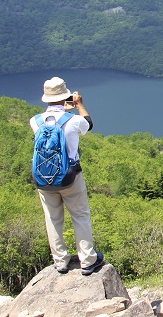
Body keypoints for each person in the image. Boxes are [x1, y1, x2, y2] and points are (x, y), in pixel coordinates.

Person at [31, 76, 105, 276]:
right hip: (70, 177)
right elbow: (88, 124)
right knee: (80, 216)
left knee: (53, 218)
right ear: (66, 97)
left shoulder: (35, 121)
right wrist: (80, 105)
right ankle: (88, 260)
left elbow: (53, 120)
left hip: (43, 179)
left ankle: (60, 261)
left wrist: (63, 109)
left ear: (46, 99)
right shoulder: (74, 120)